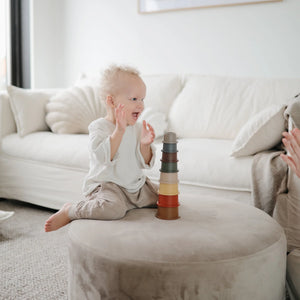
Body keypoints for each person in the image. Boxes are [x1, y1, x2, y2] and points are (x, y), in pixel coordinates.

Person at [44, 65, 158, 232]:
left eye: (142, 99)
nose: (140, 105)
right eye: (134, 99)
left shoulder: (138, 128)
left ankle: (131, 203)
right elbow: (104, 158)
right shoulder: (99, 128)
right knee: (113, 209)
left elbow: (145, 163)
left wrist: (145, 145)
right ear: (111, 101)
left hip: (135, 186)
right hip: (109, 186)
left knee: (167, 198)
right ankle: (71, 210)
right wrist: (119, 131)